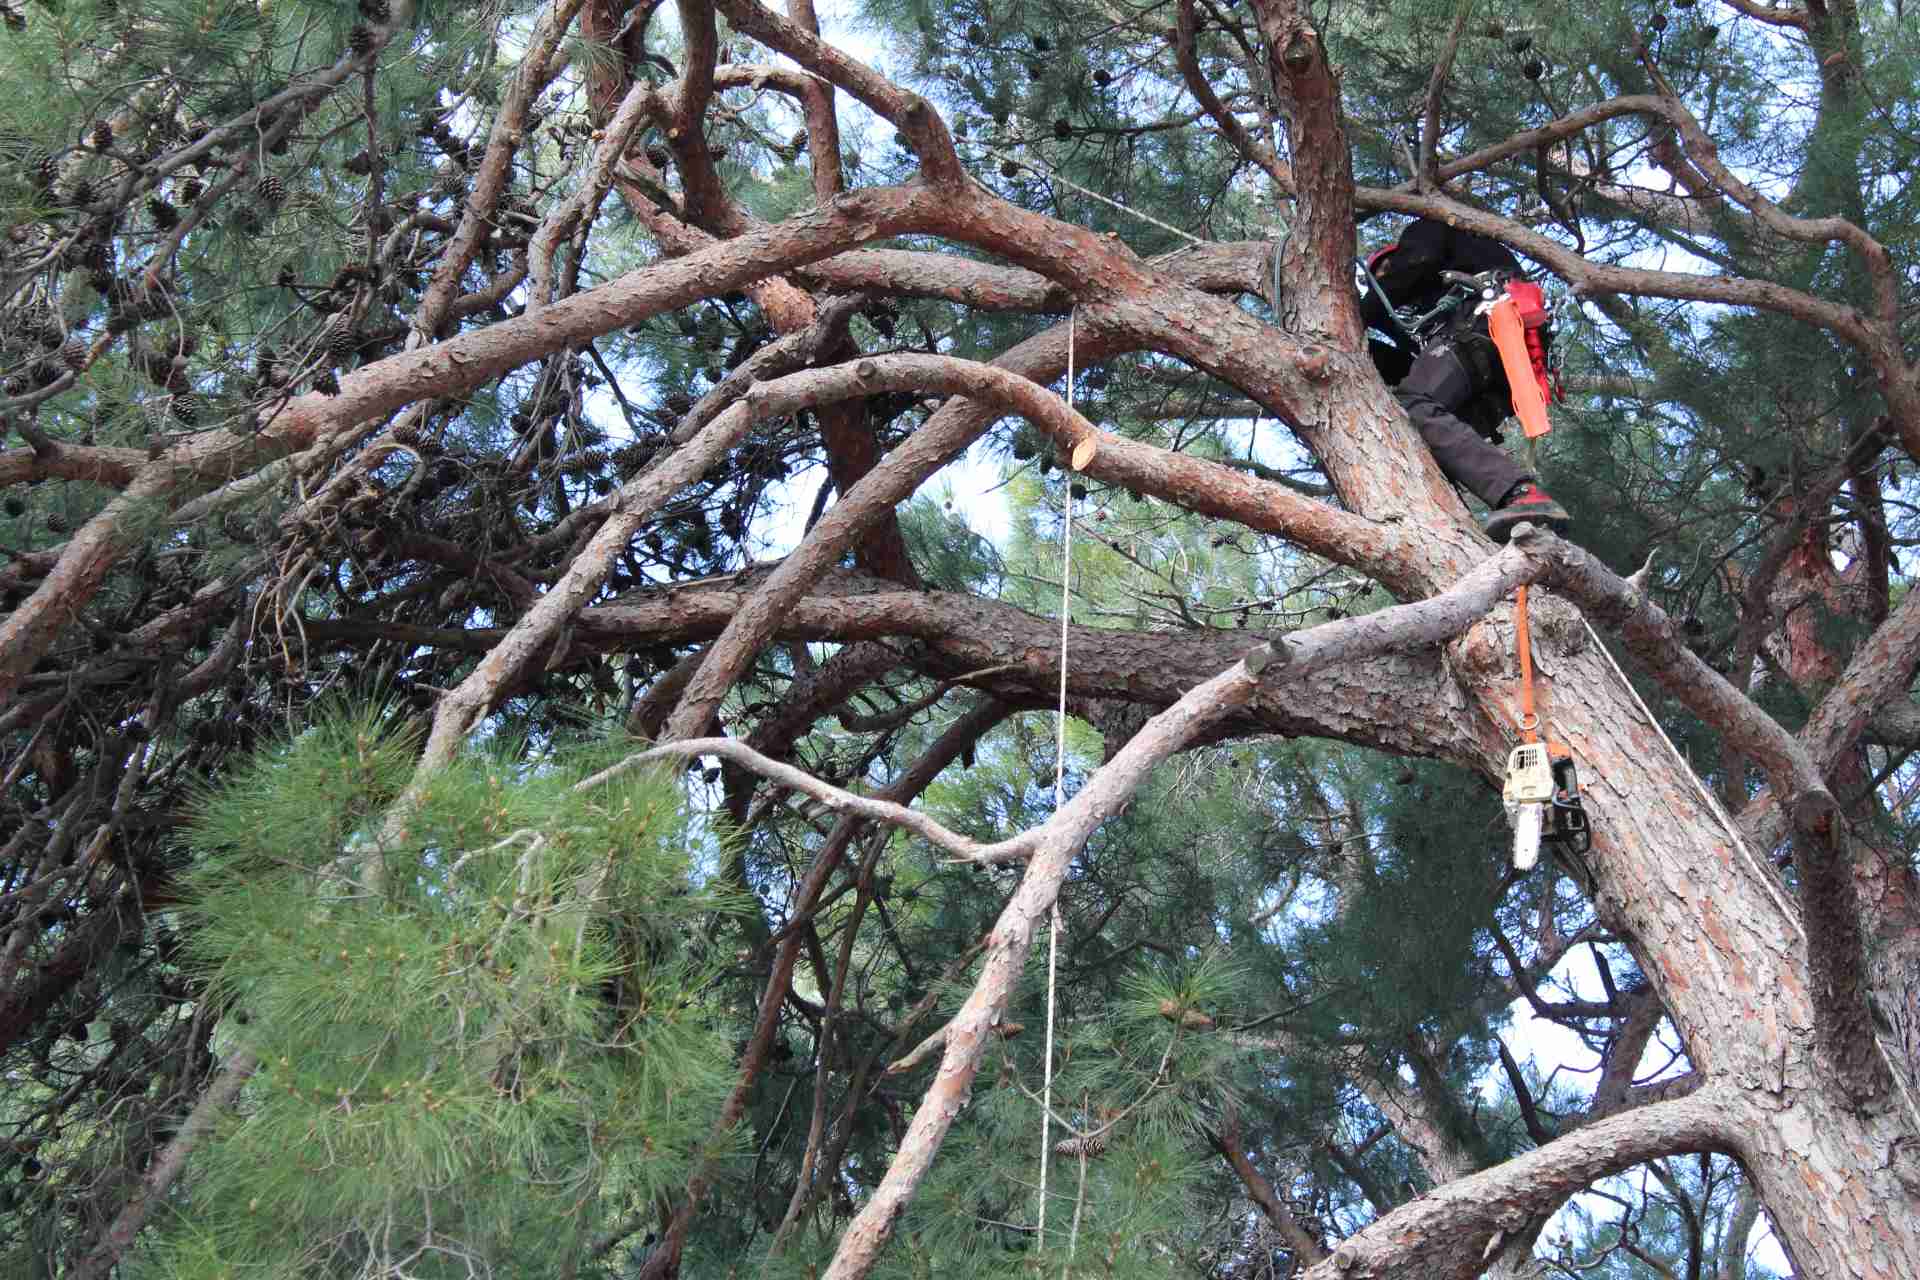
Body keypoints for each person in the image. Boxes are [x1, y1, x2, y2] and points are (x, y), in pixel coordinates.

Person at [1359, 218, 1572, 543]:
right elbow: (1412, 365)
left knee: (1415, 404)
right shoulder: (1434, 306)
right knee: (1432, 445)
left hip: (1485, 326)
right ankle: (1515, 504)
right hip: (1501, 371)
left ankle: (1517, 495)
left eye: (1385, 273)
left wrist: (1357, 310)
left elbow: (1414, 264)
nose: (1386, 283)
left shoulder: (1429, 231)